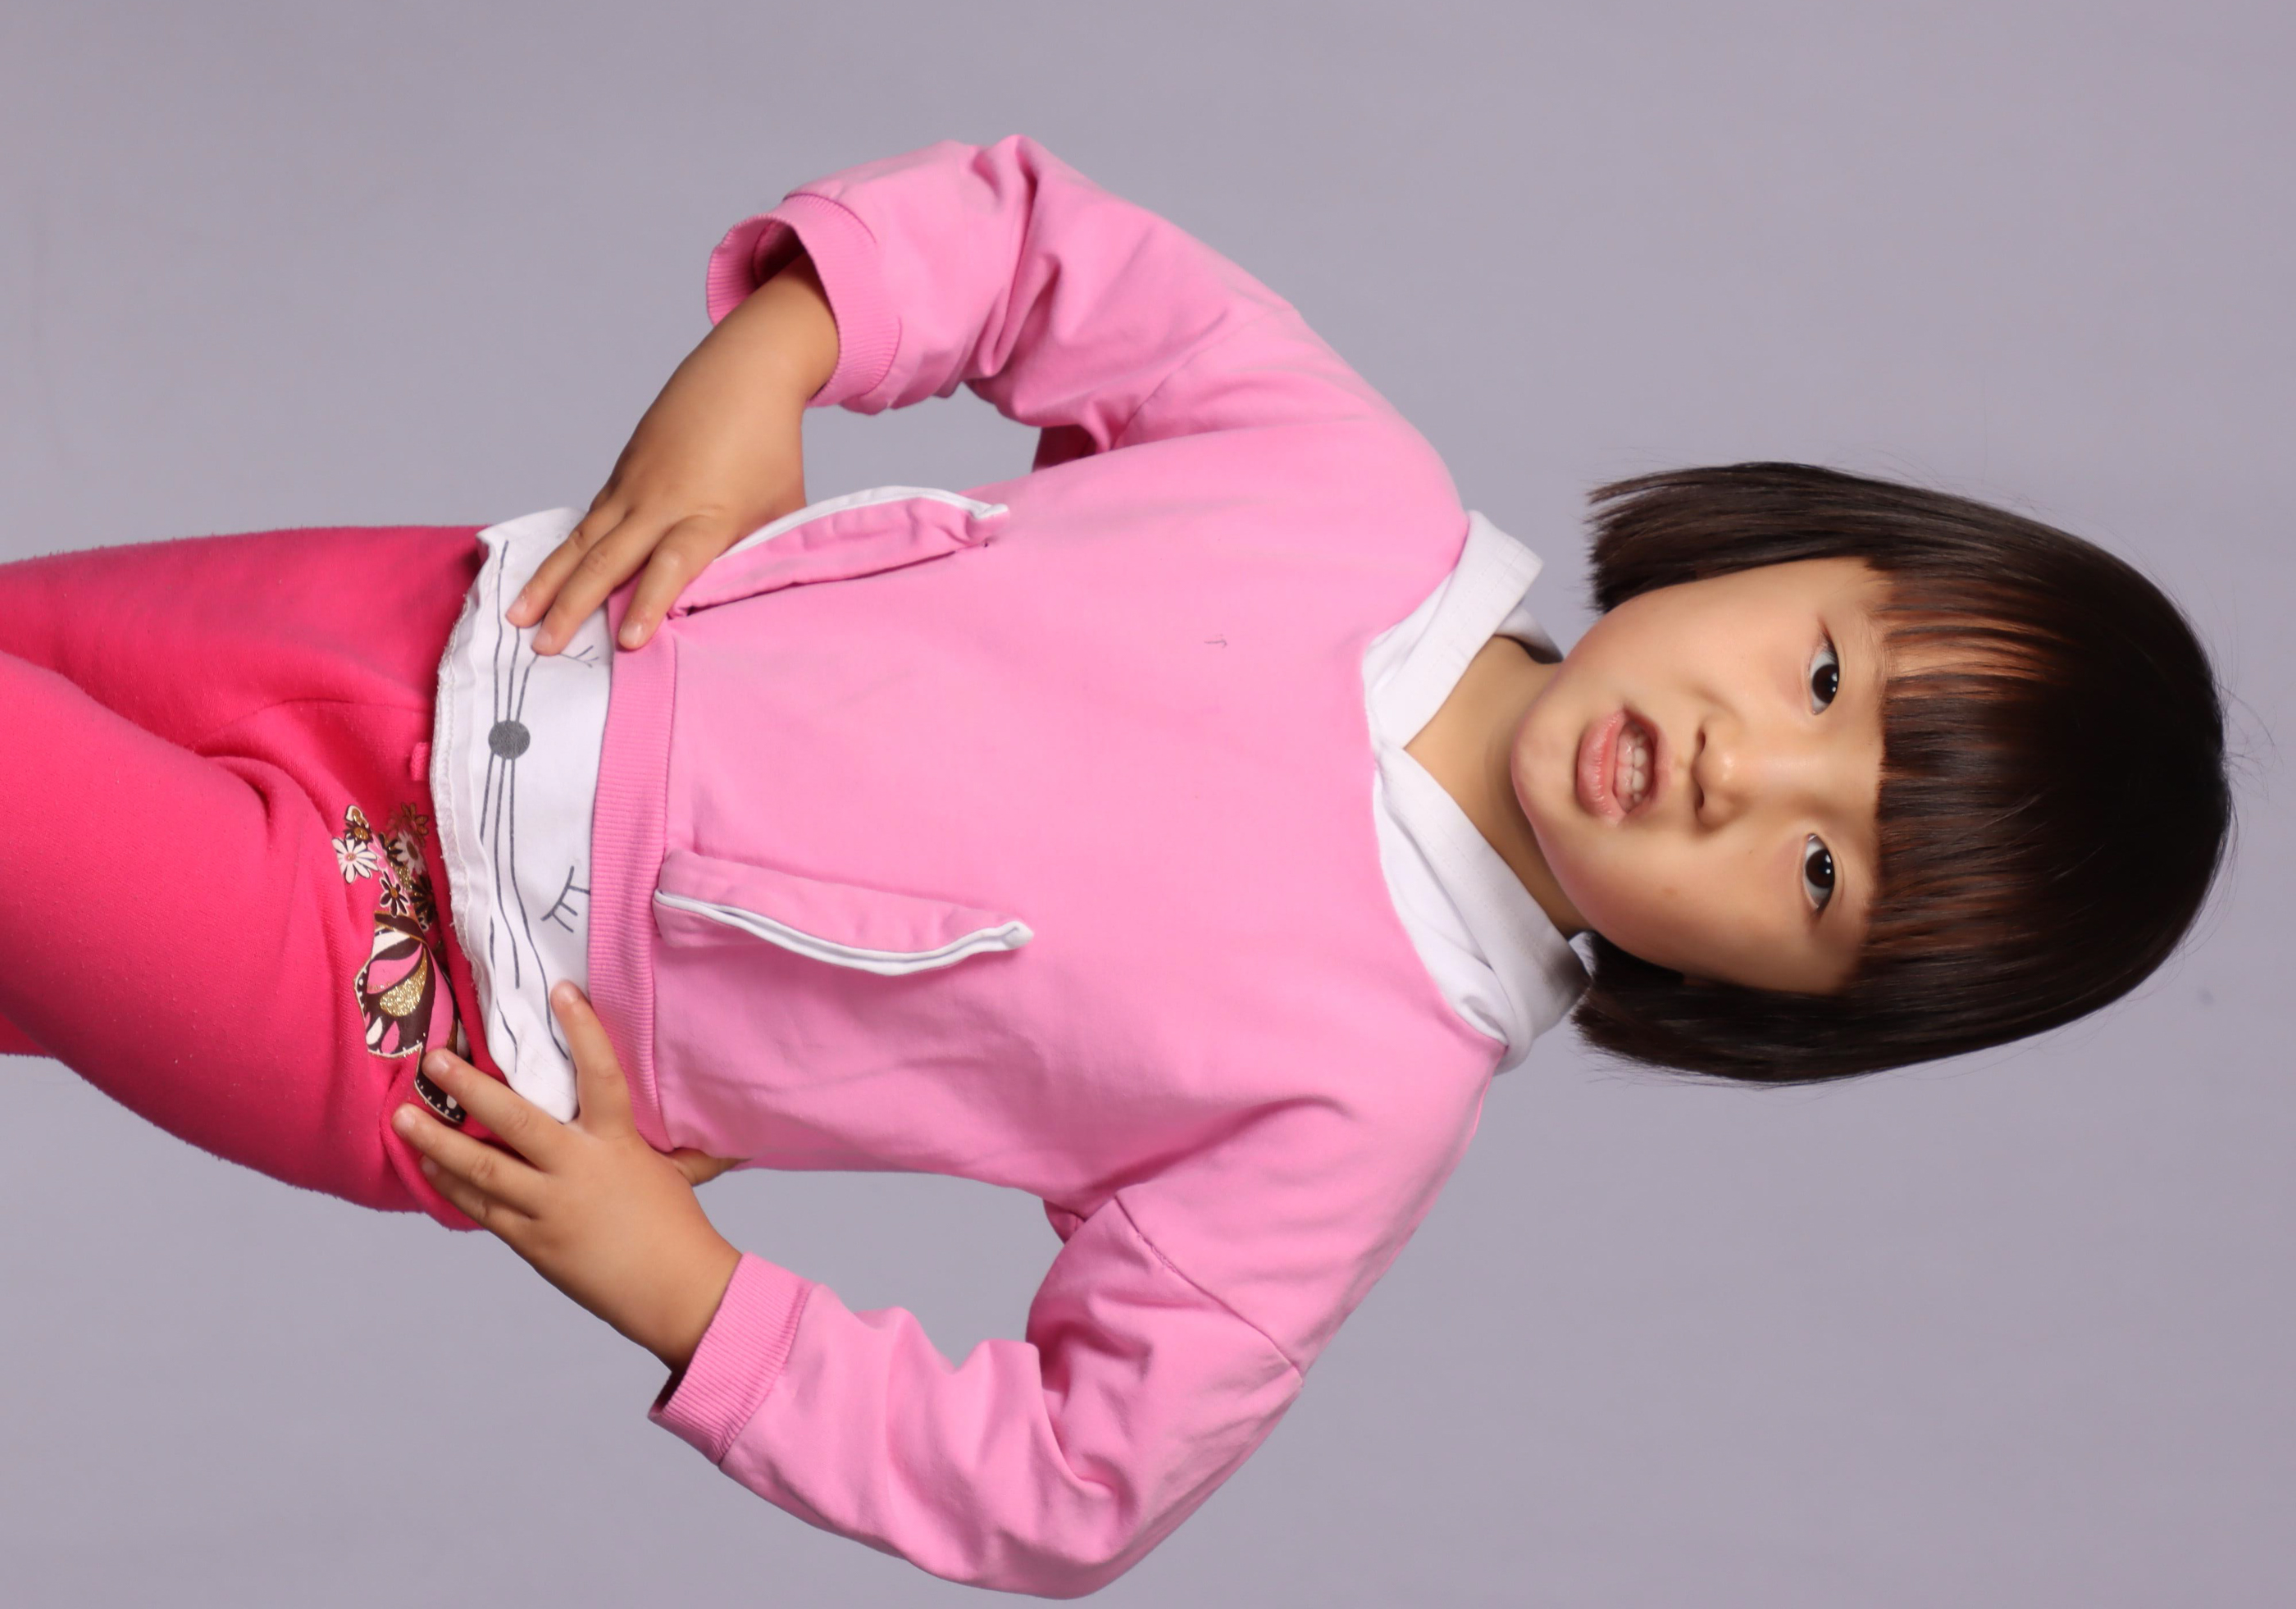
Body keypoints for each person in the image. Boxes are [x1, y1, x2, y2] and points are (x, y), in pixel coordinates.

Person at [0, 136, 2230, 1597]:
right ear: (1796, 547)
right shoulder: (1340, 478)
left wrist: (689, 1294)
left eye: (1822, 878)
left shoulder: (1355, 1107)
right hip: (440, 624)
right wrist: (774, 359)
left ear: (1779, 1002)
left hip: (425, 1009)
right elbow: (1022, 240)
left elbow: (1074, 1483)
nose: (1746, 769)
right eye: (1825, 673)